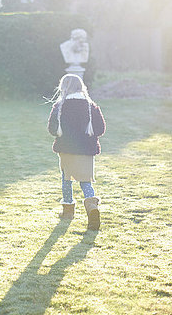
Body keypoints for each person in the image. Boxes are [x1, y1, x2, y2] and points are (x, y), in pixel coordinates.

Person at [47, 74, 106, 231]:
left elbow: (52, 129)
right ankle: (92, 206)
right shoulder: (91, 106)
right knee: (85, 181)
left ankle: (68, 212)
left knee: (67, 180)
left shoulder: (59, 106)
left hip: (66, 150)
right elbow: (100, 129)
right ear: (81, 87)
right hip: (86, 152)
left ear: (64, 88)